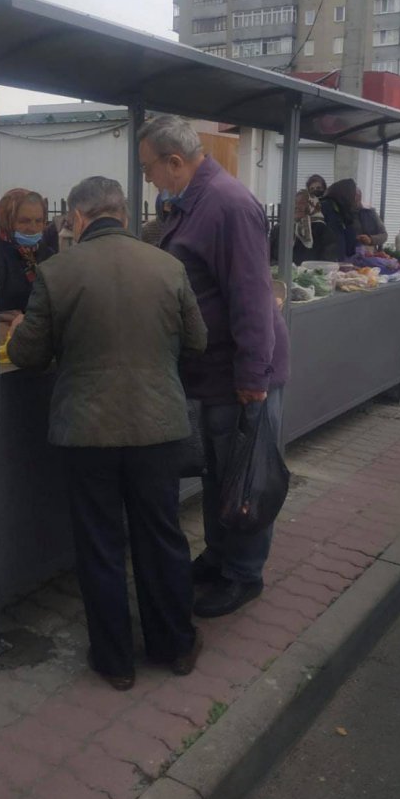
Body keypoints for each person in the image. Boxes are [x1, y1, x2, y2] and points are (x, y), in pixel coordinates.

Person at [7, 176, 207, 689]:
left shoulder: (56, 271)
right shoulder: (167, 265)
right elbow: (197, 340)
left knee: (99, 544)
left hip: (86, 431)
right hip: (157, 427)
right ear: (122, 212)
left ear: (76, 217)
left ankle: (115, 661)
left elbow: (27, 354)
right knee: (161, 538)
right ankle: (175, 646)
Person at [137, 115, 290, 619]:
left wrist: (253, 380)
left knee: (243, 474)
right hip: (209, 373)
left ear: (174, 161)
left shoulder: (227, 205)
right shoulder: (185, 203)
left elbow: (251, 299)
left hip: (239, 374)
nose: (149, 179)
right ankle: (220, 556)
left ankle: (244, 574)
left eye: (149, 169)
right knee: (216, 470)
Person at [319, 178, 358, 261]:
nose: (355, 198)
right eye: (354, 194)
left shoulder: (342, 210)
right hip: (325, 262)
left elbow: (350, 247)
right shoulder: (326, 207)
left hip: (337, 261)